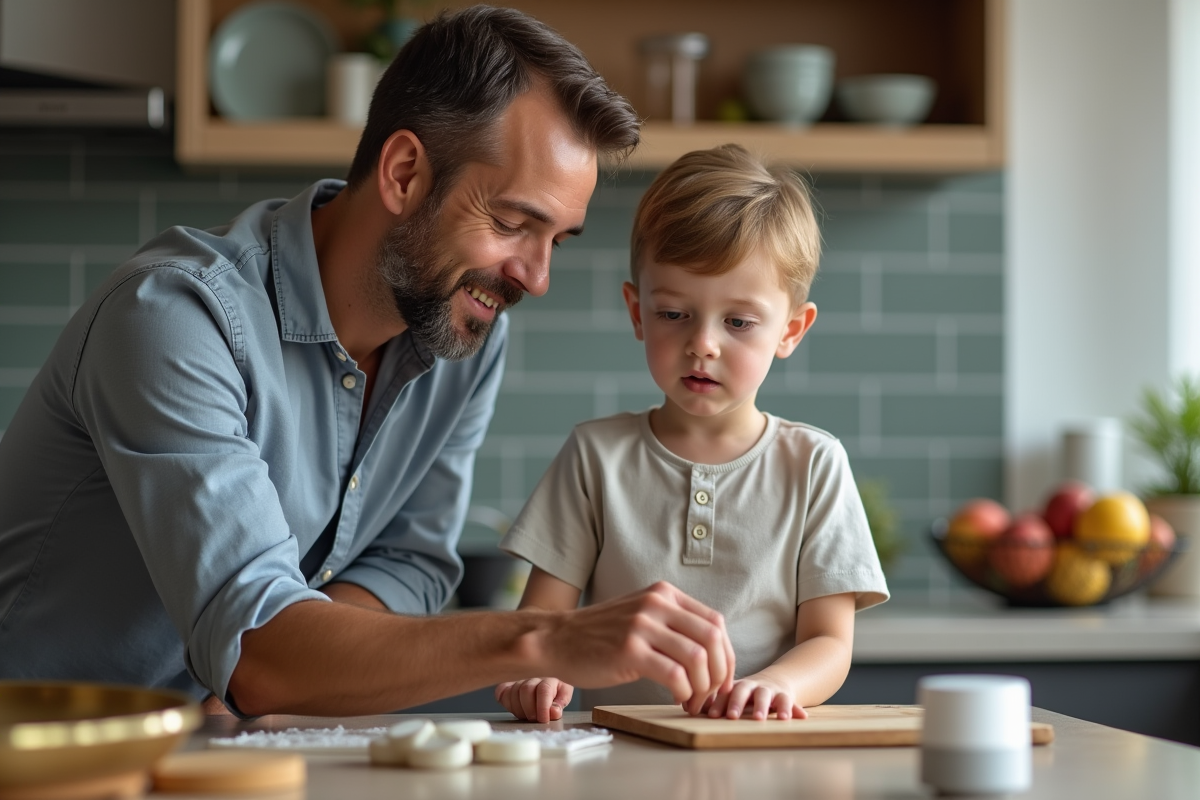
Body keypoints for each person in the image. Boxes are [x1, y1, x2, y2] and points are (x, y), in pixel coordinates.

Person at [0, 6, 737, 718]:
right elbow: (262, 654)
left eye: (558, 241)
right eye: (514, 224)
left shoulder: (463, 333)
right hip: (37, 754)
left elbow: (406, 563)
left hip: (209, 756)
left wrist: (301, 672)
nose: (534, 278)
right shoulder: (173, 318)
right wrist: (546, 637)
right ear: (405, 173)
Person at [495, 144, 890, 724]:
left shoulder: (814, 464)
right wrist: (533, 675)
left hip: (760, 759)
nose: (703, 343)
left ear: (792, 330)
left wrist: (775, 685)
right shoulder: (594, 457)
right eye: (674, 313)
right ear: (637, 312)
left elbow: (831, 643)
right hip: (617, 761)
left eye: (738, 322)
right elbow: (539, 629)